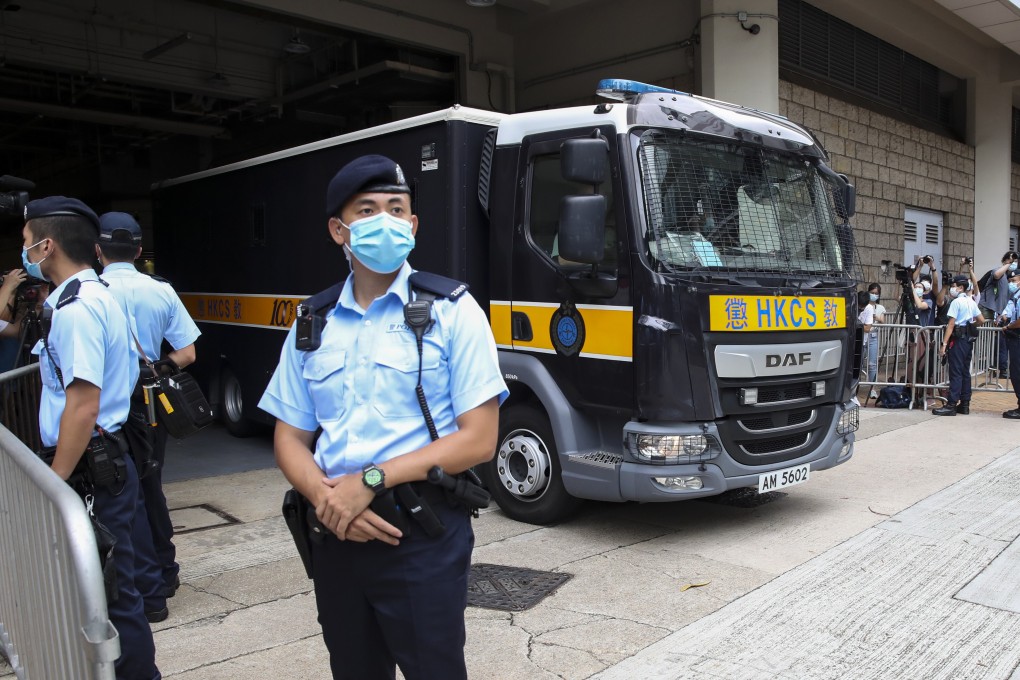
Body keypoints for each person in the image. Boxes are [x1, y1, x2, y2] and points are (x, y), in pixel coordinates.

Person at [258, 155, 509, 680]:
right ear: (339, 230)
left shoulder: (451, 311)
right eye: (368, 210)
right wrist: (329, 500)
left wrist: (371, 481)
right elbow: (289, 436)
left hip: (420, 536)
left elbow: (480, 439)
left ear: (413, 226)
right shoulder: (311, 322)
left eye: (397, 209)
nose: (386, 221)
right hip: (336, 536)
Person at [22, 197, 160, 680]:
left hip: (91, 463)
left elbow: (83, 403)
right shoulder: (91, 296)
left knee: (112, 593)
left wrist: (55, 479)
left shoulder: (78, 310)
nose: (24, 255)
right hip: (101, 455)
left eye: (27, 244)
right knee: (108, 587)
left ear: (47, 246)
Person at [97, 211, 201, 608]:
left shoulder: (90, 293)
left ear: (97, 250)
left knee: (119, 497)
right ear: (140, 250)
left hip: (105, 411)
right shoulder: (160, 290)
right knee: (150, 485)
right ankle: (166, 570)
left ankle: (134, 584)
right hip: (149, 405)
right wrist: (157, 368)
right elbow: (188, 353)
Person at [933, 274, 984, 416]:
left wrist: (943, 344)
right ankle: (965, 403)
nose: (952, 289)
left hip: (958, 339)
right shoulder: (971, 301)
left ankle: (951, 404)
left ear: (961, 287)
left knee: (955, 372)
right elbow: (981, 319)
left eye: (954, 286)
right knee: (964, 372)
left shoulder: (956, 302)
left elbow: (950, 325)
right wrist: (970, 326)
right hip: (967, 339)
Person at [978, 251, 1017, 377]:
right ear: (1005, 260)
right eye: (1011, 261)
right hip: (986, 308)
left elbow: (1004, 299)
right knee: (983, 339)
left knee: (992, 341)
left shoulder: (1008, 278)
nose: (1013, 264)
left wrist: (999, 315)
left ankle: (992, 366)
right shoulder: (999, 272)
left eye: (1015, 261)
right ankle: (982, 367)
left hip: (996, 312)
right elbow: (996, 274)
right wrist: (1007, 263)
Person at [997, 269, 1020, 419]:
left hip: (1018, 337)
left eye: (1014, 280)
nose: (1012, 283)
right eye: (1010, 281)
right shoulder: (1015, 296)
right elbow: (1010, 310)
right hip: (1015, 338)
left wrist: (1009, 326)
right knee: (1015, 372)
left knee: (1017, 372)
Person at [857, 290, 876, 398]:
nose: (860, 310)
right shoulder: (851, 304)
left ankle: (854, 392)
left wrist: (854, 325)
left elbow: (867, 328)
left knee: (857, 370)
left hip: (860, 343)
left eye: (861, 308)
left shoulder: (869, 308)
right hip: (848, 341)